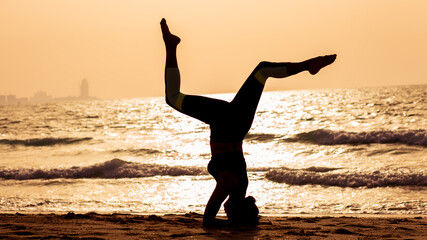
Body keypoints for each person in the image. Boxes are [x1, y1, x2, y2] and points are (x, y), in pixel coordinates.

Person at [160, 18, 336, 227]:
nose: (224, 211)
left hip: (240, 123)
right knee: (173, 97)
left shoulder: (241, 187)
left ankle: (306, 65)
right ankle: (171, 46)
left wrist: (239, 222)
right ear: (233, 211)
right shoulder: (228, 184)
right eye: (229, 213)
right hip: (223, 121)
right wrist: (230, 225)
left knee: (262, 72)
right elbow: (207, 222)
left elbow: (229, 210)